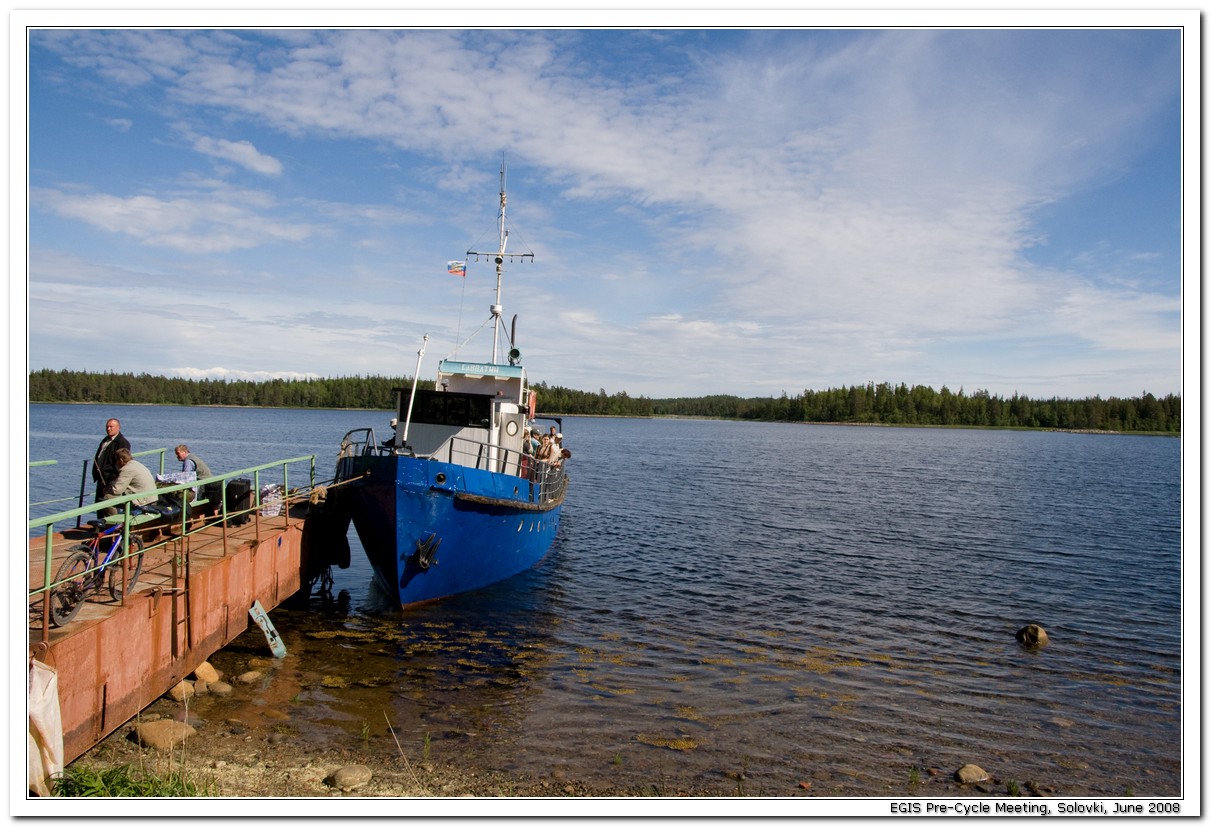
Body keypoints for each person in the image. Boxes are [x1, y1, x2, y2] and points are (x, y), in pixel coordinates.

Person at [100, 448, 158, 517]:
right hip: (152, 498)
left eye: (116, 461)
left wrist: (107, 489)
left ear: (121, 460)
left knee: (107, 498)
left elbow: (117, 490)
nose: (115, 463)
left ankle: (114, 521)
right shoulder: (137, 464)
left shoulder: (127, 469)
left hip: (144, 501)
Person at [92, 418, 131, 514]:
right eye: (107, 427)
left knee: (109, 505)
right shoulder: (105, 440)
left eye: (111, 427)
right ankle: (99, 526)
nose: (108, 429)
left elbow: (123, 462)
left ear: (118, 427)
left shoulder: (122, 442)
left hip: (111, 479)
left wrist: (112, 477)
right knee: (99, 505)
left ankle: (111, 527)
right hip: (101, 479)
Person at [175, 444, 220, 515]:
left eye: (178, 453)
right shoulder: (193, 457)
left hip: (204, 485)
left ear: (184, 452)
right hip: (210, 483)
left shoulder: (188, 461)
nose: (176, 456)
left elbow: (185, 477)